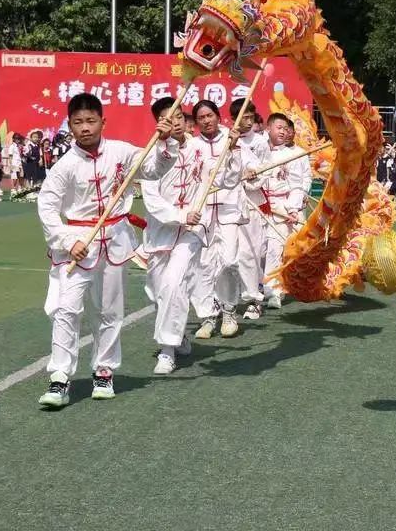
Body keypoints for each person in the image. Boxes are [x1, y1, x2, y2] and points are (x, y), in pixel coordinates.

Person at [36, 92, 179, 408]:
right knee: (66, 310)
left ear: (103, 121)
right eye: (78, 122)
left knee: (110, 311)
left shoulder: (121, 152)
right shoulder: (65, 166)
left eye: (90, 120)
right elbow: (47, 207)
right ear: (70, 127)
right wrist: (65, 240)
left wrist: (166, 142)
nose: (85, 127)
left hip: (114, 240)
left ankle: (104, 372)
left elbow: (153, 170)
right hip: (77, 245)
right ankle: (59, 378)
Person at [140, 97, 200, 375]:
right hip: (160, 233)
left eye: (178, 116)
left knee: (174, 284)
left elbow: (220, 179)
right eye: (167, 117)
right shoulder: (150, 154)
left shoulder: (202, 149)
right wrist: (178, 215)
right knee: (159, 292)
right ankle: (179, 335)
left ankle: (166, 351)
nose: (174, 122)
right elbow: (151, 200)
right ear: (158, 122)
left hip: (191, 231)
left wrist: (236, 159)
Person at [187, 100, 245, 340]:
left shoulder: (230, 139)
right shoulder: (192, 145)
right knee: (203, 265)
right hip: (202, 213)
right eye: (201, 117)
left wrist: (232, 150)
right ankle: (208, 316)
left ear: (218, 116)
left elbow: (233, 178)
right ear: (196, 122)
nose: (206, 120)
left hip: (229, 209)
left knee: (229, 261)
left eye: (210, 115)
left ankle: (230, 311)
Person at [255, 113, 311, 310]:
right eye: (279, 127)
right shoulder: (256, 150)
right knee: (265, 251)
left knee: (289, 250)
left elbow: (298, 184)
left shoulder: (293, 154)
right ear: (267, 128)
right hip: (261, 208)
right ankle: (267, 290)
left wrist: (293, 208)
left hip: (285, 209)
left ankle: (283, 288)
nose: (283, 131)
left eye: (285, 129)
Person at [229, 97, 272, 320]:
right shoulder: (227, 141)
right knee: (229, 254)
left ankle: (255, 298)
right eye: (242, 117)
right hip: (229, 205)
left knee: (252, 252)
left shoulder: (261, 143)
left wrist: (251, 177)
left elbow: (266, 170)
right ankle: (229, 298)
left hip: (253, 204)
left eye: (250, 117)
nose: (247, 121)